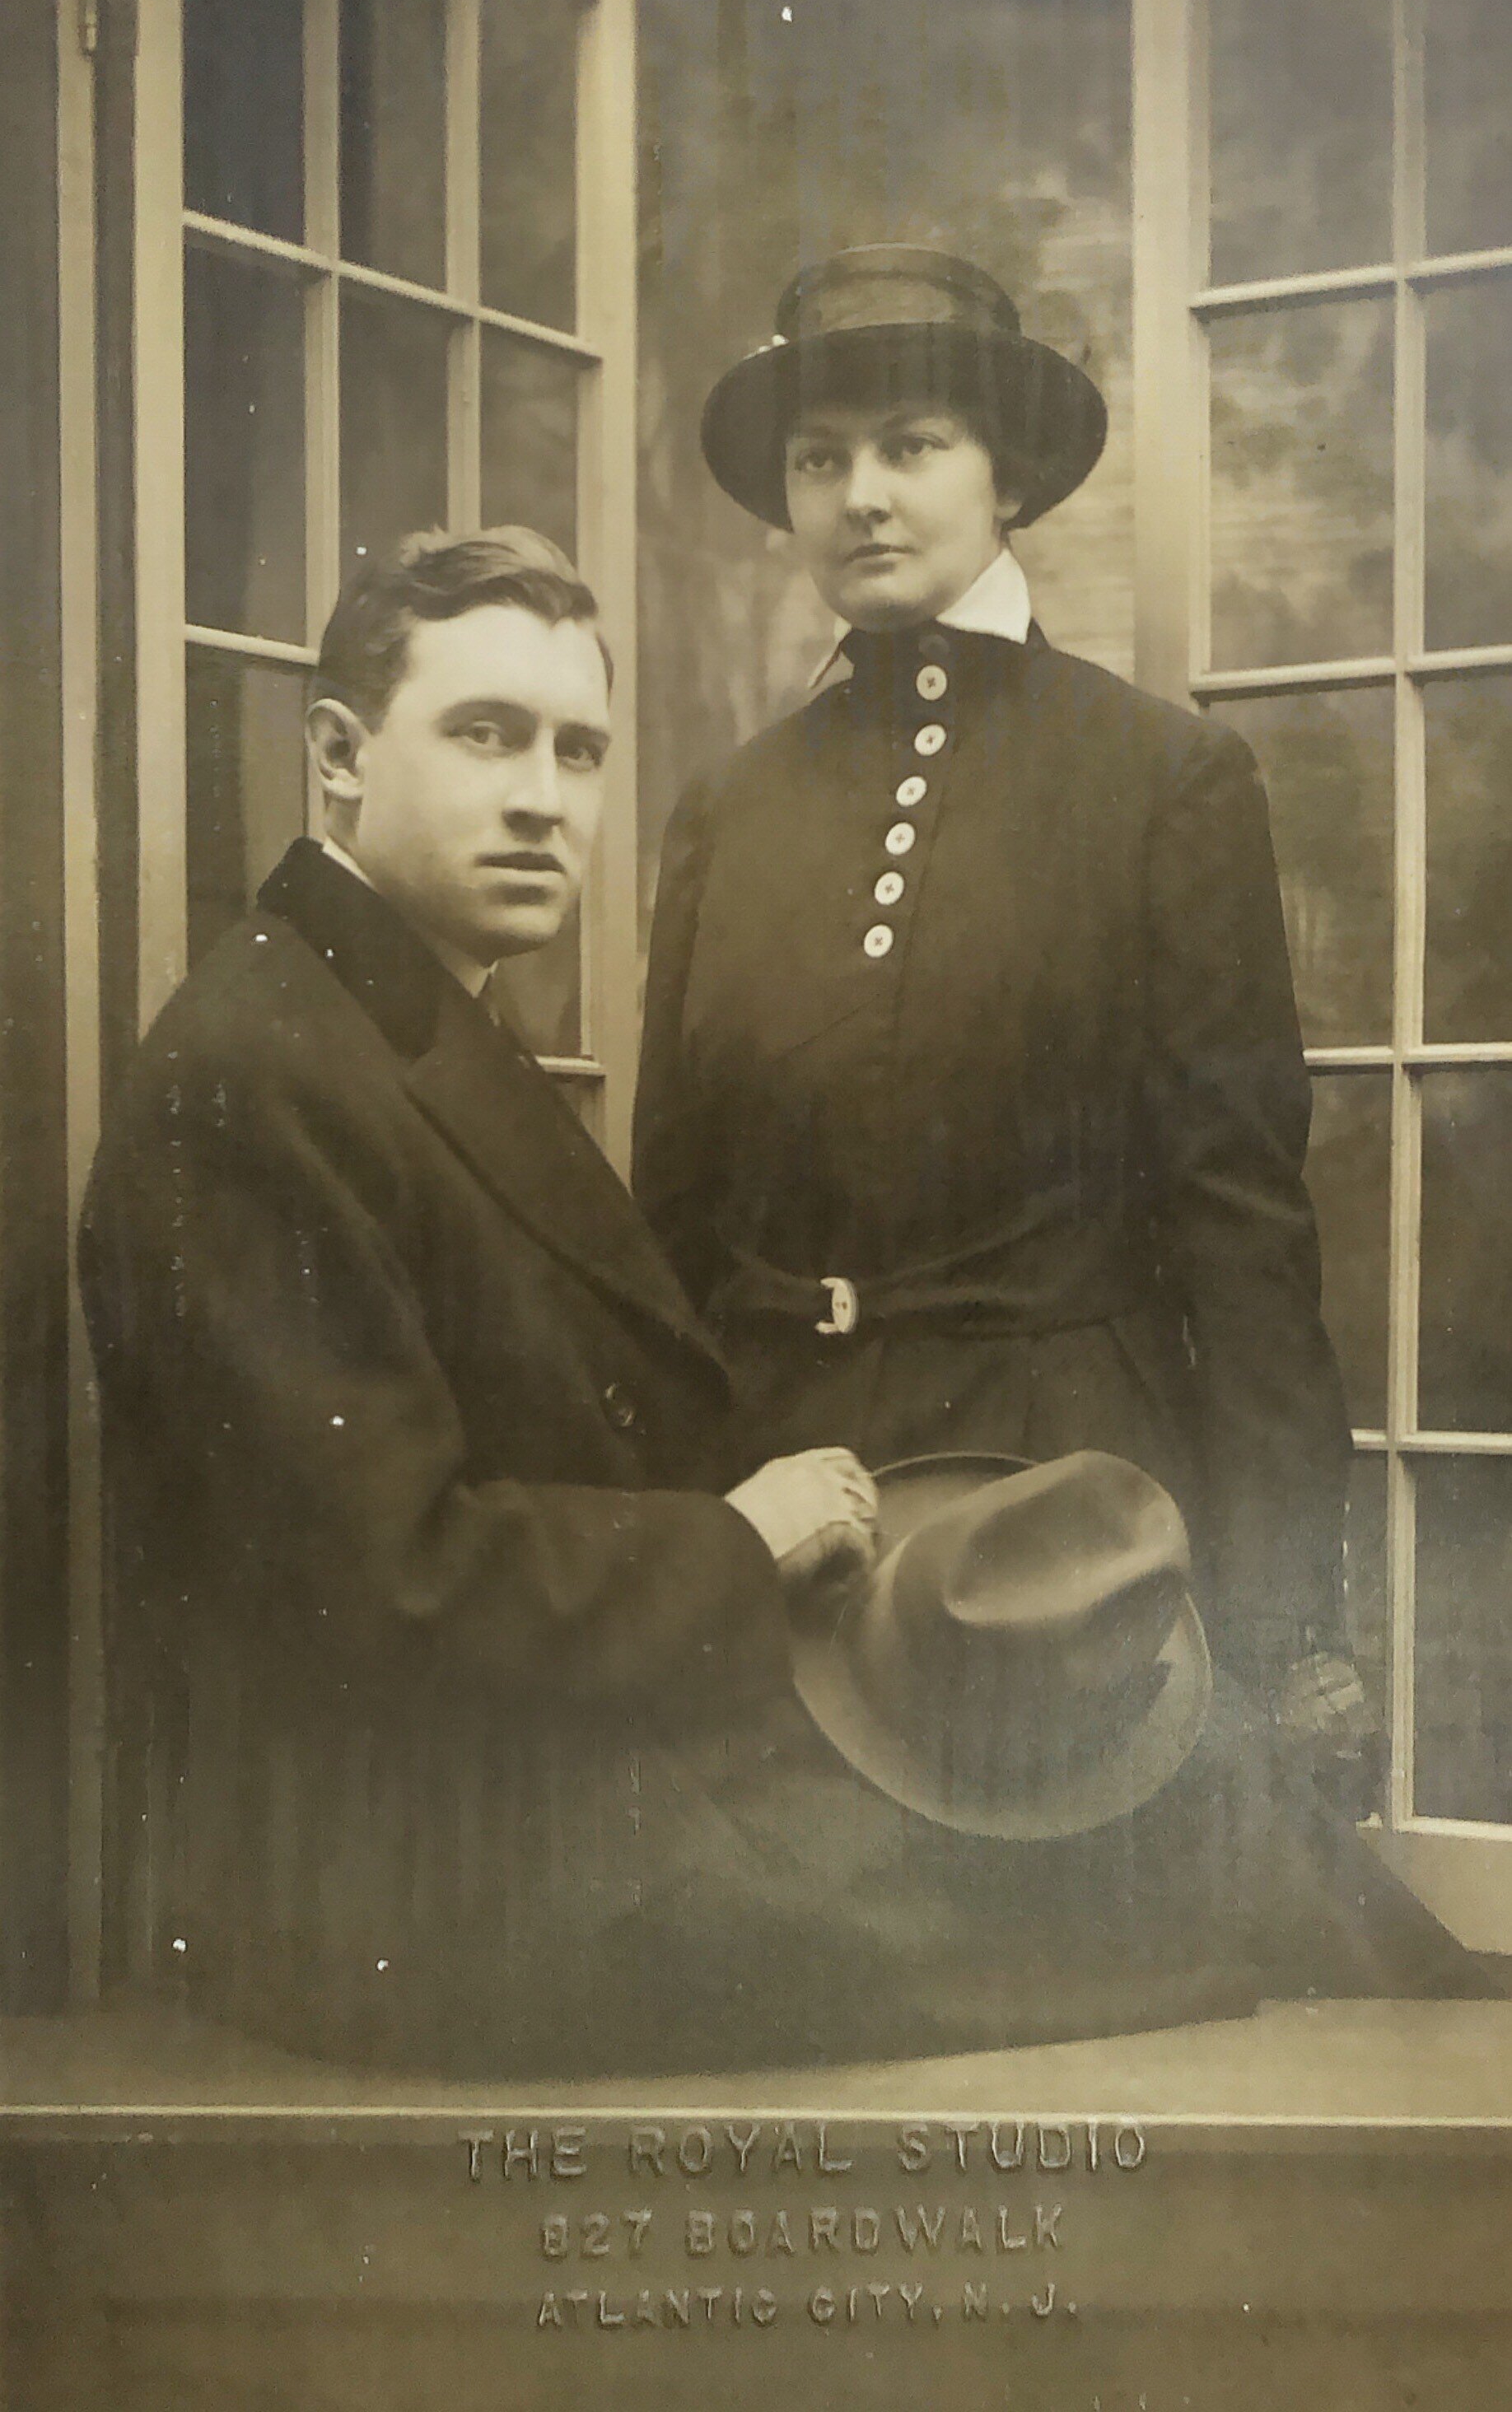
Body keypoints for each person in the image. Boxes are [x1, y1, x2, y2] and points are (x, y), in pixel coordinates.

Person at [84, 524, 1485, 2072]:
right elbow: (380, 1585)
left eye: (579, 749)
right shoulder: (253, 1081)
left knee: (1179, 1832)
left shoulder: (386, 1021)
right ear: (340, 756)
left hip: (523, 1779)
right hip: (412, 1877)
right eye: (483, 737)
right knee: (1147, 1877)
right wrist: (737, 1542)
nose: (543, 800)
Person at [635, 245, 1363, 1738]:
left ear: (1008, 479)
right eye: (821, 458)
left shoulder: (1163, 778)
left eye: (915, 446)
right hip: (785, 1497)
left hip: (1054, 1516)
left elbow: (1239, 1223)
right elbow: (673, 1219)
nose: (863, 496)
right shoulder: (729, 809)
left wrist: (1288, 1620)